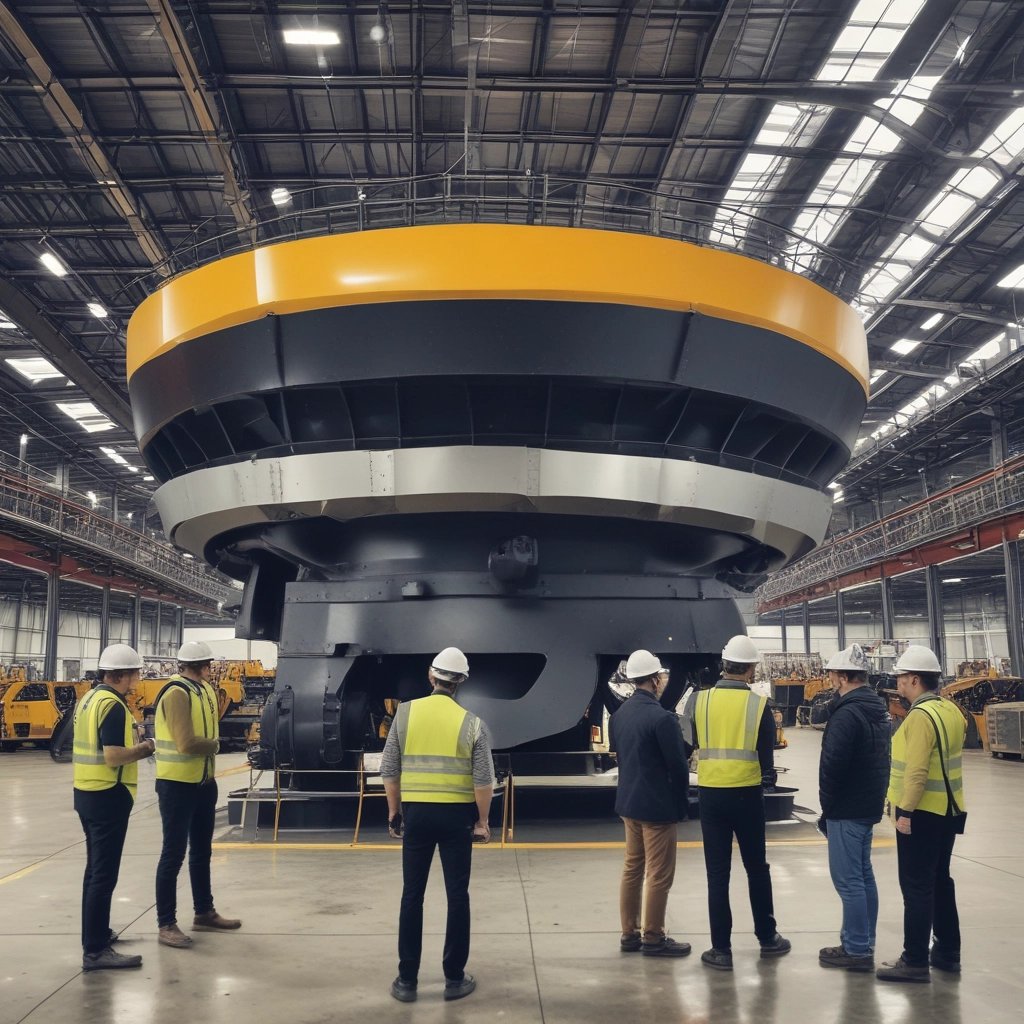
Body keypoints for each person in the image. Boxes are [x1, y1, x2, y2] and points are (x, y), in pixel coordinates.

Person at [382, 647, 495, 1003]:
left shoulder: (404, 713)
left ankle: (406, 980)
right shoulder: (473, 723)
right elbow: (483, 782)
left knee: (411, 896)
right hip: (456, 819)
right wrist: (482, 821)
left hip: (416, 816)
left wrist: (394, 812)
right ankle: (454, 979)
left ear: (431, 677)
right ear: (460, 682)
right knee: (457, 896)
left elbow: (389, 770)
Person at [693, 634, 790, 970]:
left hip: (710, 796)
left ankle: (721, 950)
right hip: (747, 796)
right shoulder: (759, 706)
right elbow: (767, 760)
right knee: (756, 869)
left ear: (723, 665)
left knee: (717, 875)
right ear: (750, 669)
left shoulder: (699, 702)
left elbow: (687, 742)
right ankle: (768, 937)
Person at [877, 644, 966, 984]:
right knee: (940, 881)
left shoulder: (919, 717)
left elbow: (915, 772)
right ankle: (947, 952)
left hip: (921, 812)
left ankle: (914, 960)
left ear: (914, 679)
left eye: (901, 677)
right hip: (949, 810)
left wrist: (904, 813)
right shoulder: (950, 710)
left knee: (915, 887)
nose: (898, 683)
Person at [72, 644, 155, 971]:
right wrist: (145, 748)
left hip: (87, 793)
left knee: (94, 871)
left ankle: (95, 934)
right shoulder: (113, 705)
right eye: (136, 671)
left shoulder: (88, 699)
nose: (138, 677)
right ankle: (95, 951)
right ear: (124, 674)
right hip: (108, 794)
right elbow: (113, 756)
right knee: (103, 874)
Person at [153, 640, 240, 948]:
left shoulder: (201, 690)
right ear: (203, 666)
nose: (213, 669)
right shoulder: (176, 693)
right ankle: (166, 923)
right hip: (177, 786)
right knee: (173, 854)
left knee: (202, 851)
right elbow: (186, 744)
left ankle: (204, 912)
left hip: (203, 783)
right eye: (210, 665)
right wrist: (218, 745)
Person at [608, 649, 691, 957]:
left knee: (633, 868)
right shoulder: (662, 719)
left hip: (628, 804)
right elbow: (678, 767)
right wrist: (681, 803)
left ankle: (629, 933)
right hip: (657, 807)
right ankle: (653, 937)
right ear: (656, 680)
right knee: (658, 873)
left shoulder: (619, 717)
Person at [816, 644, 890, 972]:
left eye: (833, 674)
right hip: (867, 802)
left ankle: (857, 949)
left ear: (845, 676)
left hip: (846, 806)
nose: (830, 679)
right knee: (862, 876)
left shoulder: (847, 713)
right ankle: (861, 941)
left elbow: (833, 766)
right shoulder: (876, 708)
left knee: (848, 881)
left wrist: (827, 807)